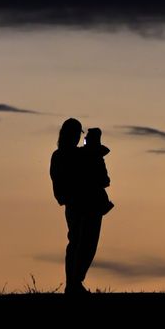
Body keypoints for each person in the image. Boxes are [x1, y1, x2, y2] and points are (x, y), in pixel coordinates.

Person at [50, 118, 110, 294]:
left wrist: (94, 148)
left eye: (79, 134)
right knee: (78, 243)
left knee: (87, 245)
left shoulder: (81, 154)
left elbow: (104, 178)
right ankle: (73, 283)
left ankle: (75, 282)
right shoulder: (62, 155)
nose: (77, 137)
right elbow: (60, 183)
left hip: (90, 205)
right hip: (77, 205)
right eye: (75, 133)